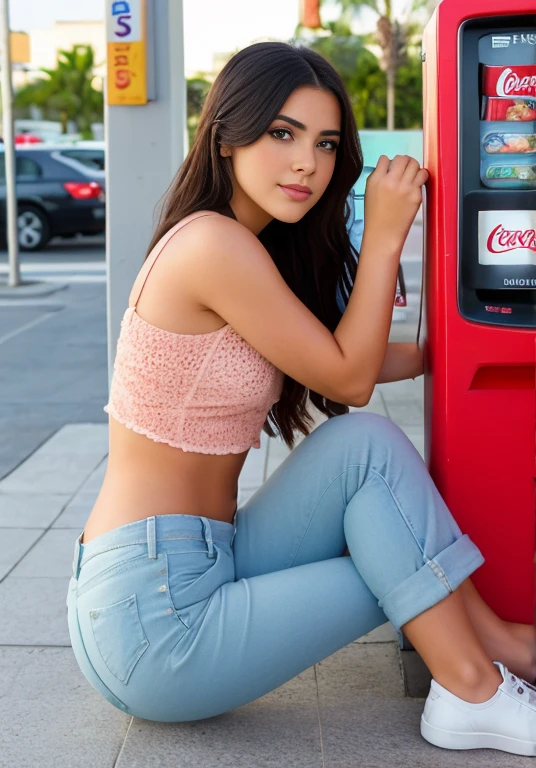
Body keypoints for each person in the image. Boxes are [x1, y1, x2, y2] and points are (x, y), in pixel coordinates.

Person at [66, 41, 536, 756]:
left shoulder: (241, 247)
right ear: (227, 133)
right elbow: (347, 378)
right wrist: (382, 237)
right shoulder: (212, 247)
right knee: (399, 557)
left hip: (194, 561)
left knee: (364, 446)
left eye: (324, 144)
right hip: (156, 623)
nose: (307, 164)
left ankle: (501, 647)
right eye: (282, 134)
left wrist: (482, 342)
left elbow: (358, 361)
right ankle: (472, 687)